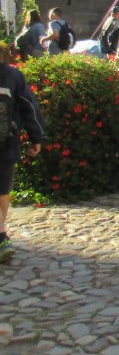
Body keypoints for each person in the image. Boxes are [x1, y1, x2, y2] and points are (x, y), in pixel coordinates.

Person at [0, 41, 46, 263]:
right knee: (3, 190)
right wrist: (36, 137)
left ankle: (1, 236)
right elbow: (29, 107)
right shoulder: (14, 76)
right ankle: (1, 234)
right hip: (7, 140)